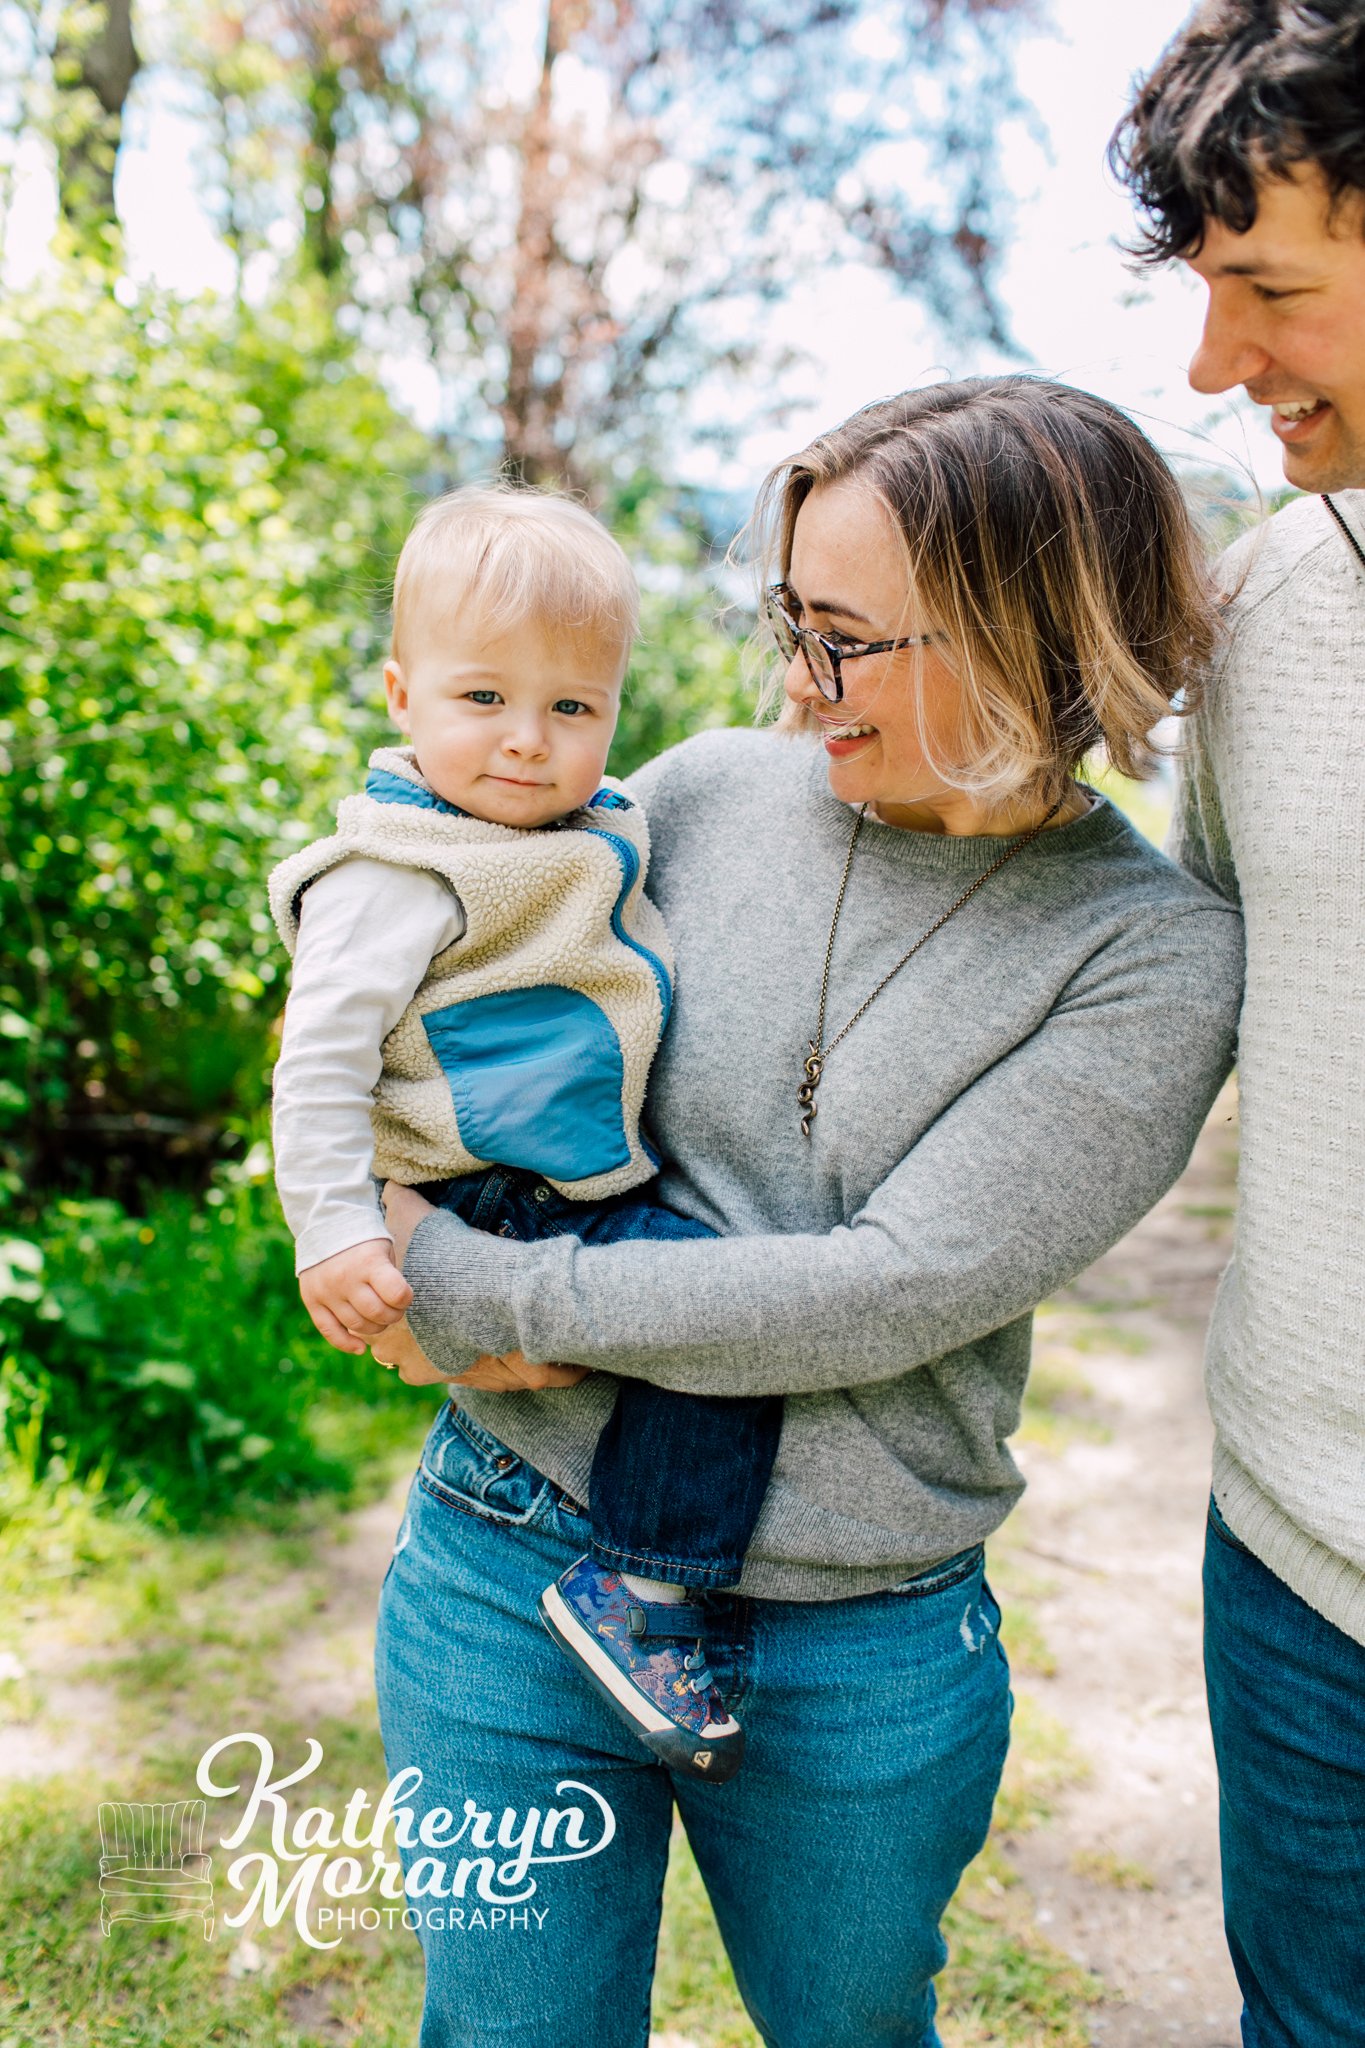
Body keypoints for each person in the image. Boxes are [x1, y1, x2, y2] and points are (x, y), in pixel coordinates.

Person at [367, 376, 1244, 2048]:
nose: (794, 680)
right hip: (504, 1554)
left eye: (842, 638)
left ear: (1012, 636)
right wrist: (355, 1196)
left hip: (849, 1645)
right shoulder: (697, 793)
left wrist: (480, 1292)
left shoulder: (1147, 955)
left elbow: (888, 1288)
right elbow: (440, 992)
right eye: (789, 618)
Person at [269, 483, 786, 1783]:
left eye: (571, 708)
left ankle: (643, 1576)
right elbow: (317, 1065)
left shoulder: (589, 829)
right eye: (481, 698)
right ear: (400, 694)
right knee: (723, 1313)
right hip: (485, 1182)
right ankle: (644, 1589)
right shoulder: (400, 869)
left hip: (562, 1174)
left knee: (717, 1309)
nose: (525, 741)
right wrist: (335, 1230)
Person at [1110, 8, 1365, 2041]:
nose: (1213, 368)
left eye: (1266, 290)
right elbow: (1143, 978)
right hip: (1297, 1567)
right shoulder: (1264, 617)